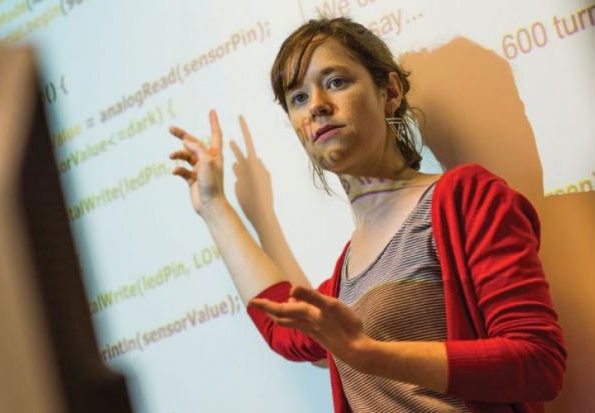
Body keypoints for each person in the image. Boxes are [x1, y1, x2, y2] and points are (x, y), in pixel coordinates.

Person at [168, 17, 566, 413]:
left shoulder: (465, 198)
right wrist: (213, 205)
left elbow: (537, 361)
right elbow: (280, 327)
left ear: (389, 91)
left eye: (336, 81)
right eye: (298, 98)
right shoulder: (345, 271)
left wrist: (368, 353)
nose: (317, 106)